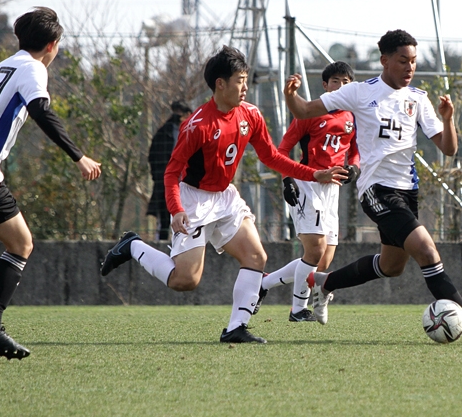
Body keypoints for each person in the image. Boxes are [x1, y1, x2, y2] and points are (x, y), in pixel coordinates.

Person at [100, 46, 346, 344]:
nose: (245, 86)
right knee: (185, 281)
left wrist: (311, 174)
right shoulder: (198, 125)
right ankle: (133, 246)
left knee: (256, 256)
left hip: (226, 198)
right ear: (220, 83)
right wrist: (176, 209)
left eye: (246, 79)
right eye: (240, 80)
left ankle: (235, 328)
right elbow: (171, 172)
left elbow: (271, 156)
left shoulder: (250, 115)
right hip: (194, 200)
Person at [282, 29, 462, 344]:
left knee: (391, 266)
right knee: (427, 251)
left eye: (413, 61)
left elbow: (448, 149)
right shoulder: (359, 92)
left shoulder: (418, 99)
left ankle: (325, 282)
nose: (410, 67)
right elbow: (304, 110)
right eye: (402, 61)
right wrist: (291, 96)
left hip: (407, 192)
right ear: (385, 60)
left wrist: (449, 120)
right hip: (375, 189)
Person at [0, 7, 102, 359]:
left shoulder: (1, 66)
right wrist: (78, 156)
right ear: (52, 45)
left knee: (21, 243)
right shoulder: (33, 68)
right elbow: (41, 110)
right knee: (20, 244)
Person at [255, 61, 360, 322]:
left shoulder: (351, 117)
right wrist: (287, 179)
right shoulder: (309, 113)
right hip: (306, 184)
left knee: (321, 262)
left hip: (332, 190)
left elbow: (356, 150)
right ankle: (298, 310)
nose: (341, 86)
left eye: (346, 82)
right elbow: (281, 150)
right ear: (325, 85)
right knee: (314, 250)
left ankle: (263, 285)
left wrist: (355, 168)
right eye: (336, 81)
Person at [147, 99, 193, 240]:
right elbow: (154, 156)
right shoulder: (165, 133)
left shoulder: (190, 131)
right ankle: (163, 240)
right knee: (165, 213)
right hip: (167, 179)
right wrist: (159, 176)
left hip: (186, 180)